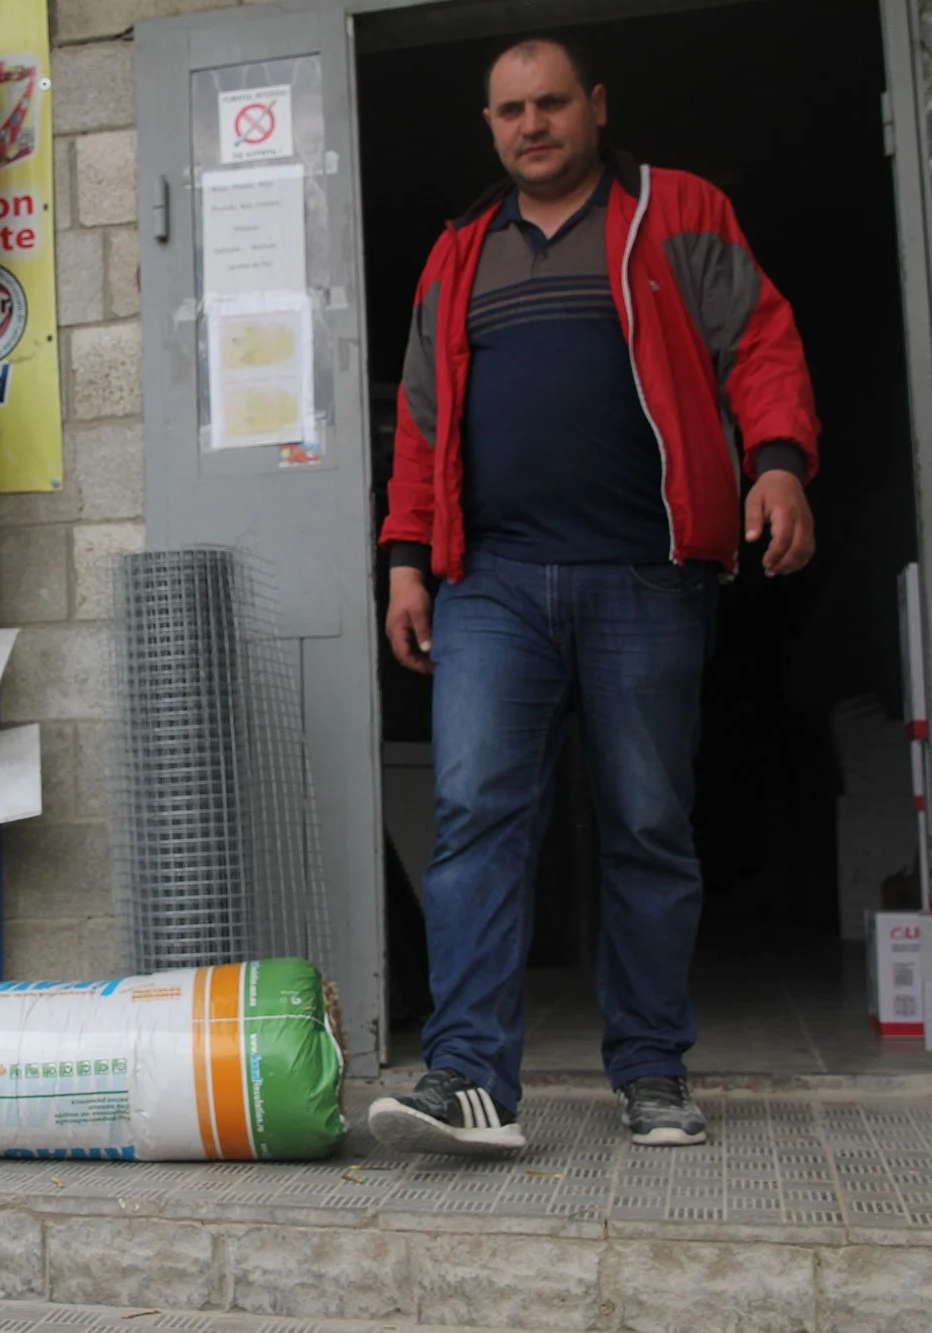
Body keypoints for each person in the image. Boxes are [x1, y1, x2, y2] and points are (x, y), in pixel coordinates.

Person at [368, 36, 818, 1157]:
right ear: (489, 125)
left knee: (647, 824)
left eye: (552, 102)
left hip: (645, 574)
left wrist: (775, 463)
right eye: (510, 109)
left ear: (595, 105)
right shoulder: (458, 252)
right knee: (475, 819)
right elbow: (422, 420)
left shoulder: (680, 210)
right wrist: (406, 558)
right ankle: (471, 1078)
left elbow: (761, 343)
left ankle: (652, 1069)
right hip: (491, 585)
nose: (533, 124)